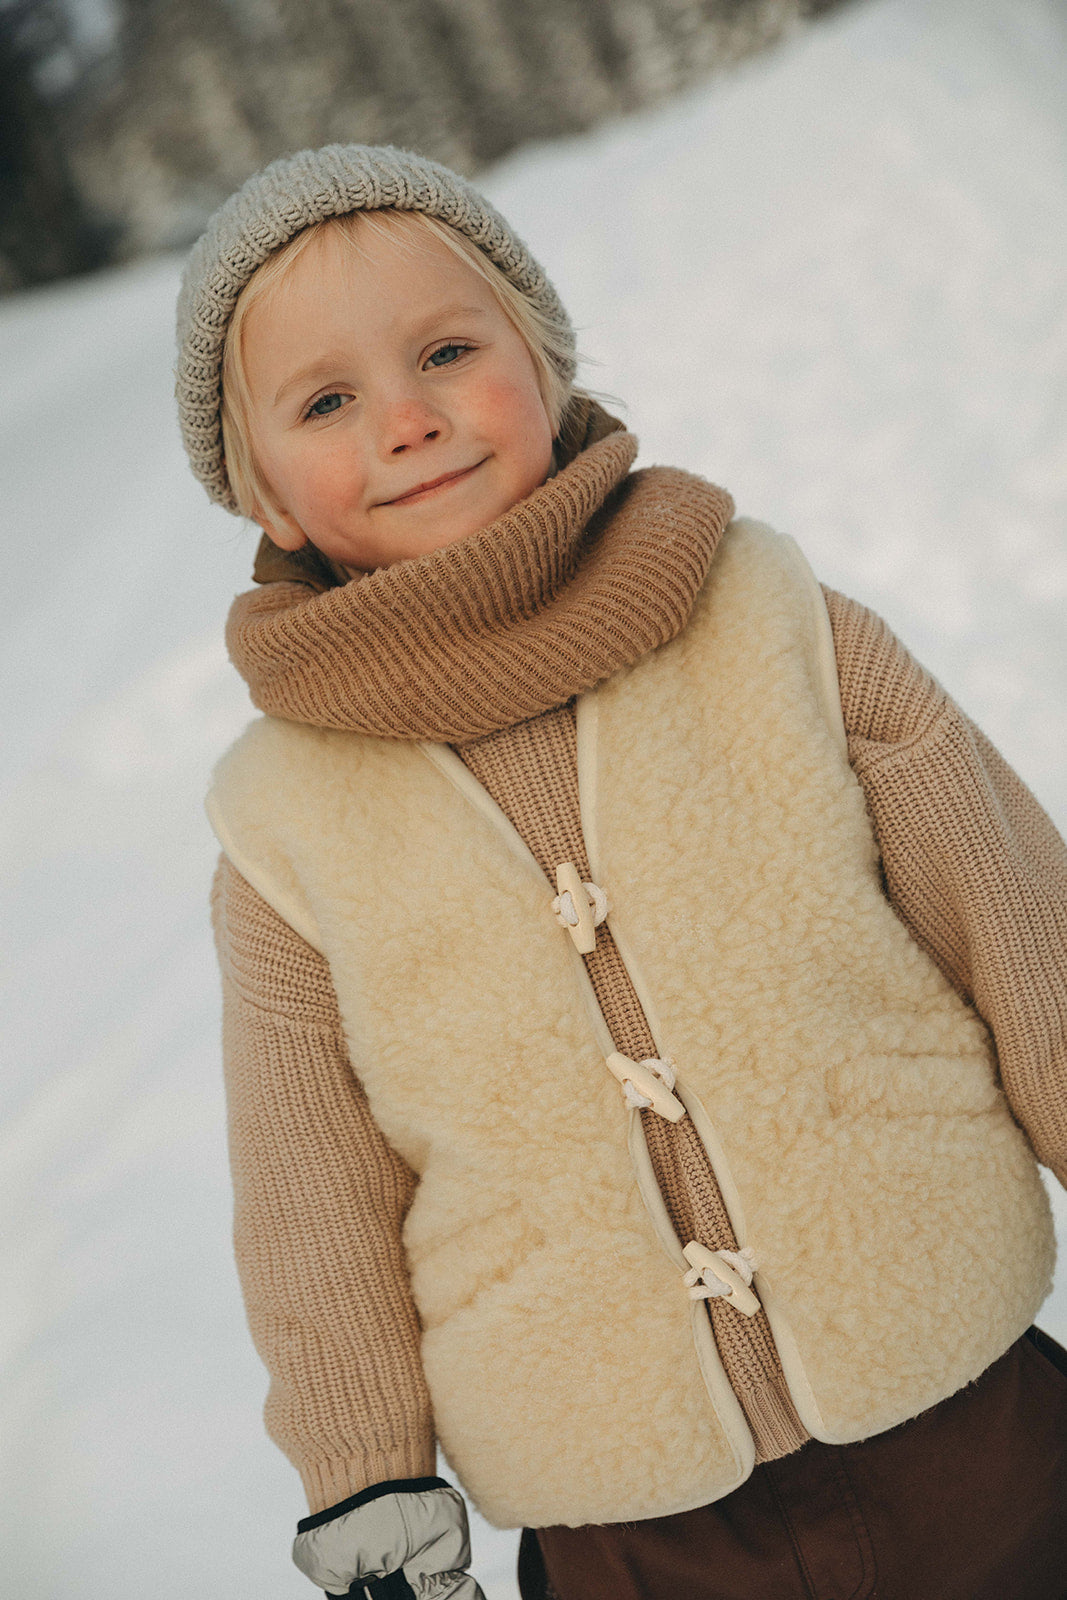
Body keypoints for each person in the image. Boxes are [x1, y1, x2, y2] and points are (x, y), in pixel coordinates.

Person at [175, 144, 1067, 1600]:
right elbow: (307, 1195)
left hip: (975, 1431)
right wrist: (366, 1477)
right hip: (626, 1529)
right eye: (326, 401)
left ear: (546, 357)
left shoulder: (766, 621)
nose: (406, 420)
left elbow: (1026, 928)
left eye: (448, 351)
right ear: (260, 490)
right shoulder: (284, 826)